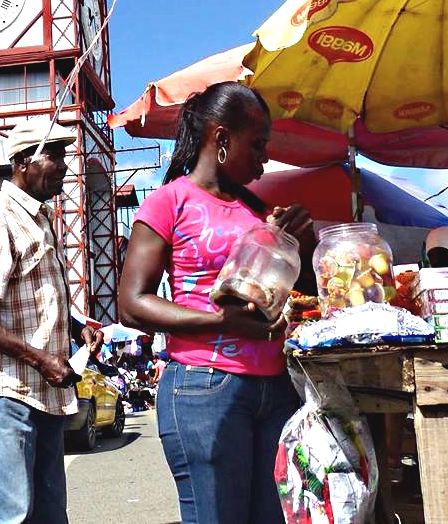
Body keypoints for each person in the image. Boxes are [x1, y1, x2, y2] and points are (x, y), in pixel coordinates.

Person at [118, 82, 315, 524]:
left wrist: (302, 243)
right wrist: (222, 323)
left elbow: (293, 291)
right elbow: (131, 304)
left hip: (276, 389)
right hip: (204, 387)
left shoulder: (258, 211)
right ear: (222, 139)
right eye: (258, 144)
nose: (265, 160)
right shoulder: (169, 201)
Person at [0, 117, 104, 524]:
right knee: (9, 515)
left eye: (63, 156)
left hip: (47, 392)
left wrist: (76, 327)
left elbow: (38, 295)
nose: (63, 165)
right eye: (53, 156)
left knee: (50, 515)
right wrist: (40, 358)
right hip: (10, 390)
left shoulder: (42, 219)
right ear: (22, 162)